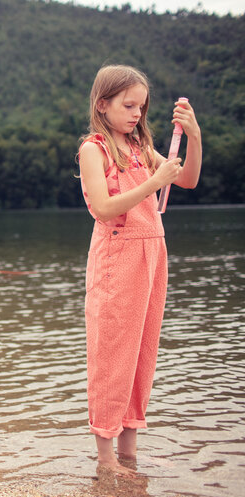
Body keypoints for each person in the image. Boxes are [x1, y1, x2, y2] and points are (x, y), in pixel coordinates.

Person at [77, 65, 202, 474]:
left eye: (141, 107)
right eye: (128, 105)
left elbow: (189, 180)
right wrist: (154, 180)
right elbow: (102, 208)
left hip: (153, 255)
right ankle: (105, 457)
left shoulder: (139, 147)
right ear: (103, 104)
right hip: (117, 257)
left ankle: (129, 453)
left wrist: (194, 135)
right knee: (113, 353)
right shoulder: (93, 149)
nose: (136, 114)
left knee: (141, 355)